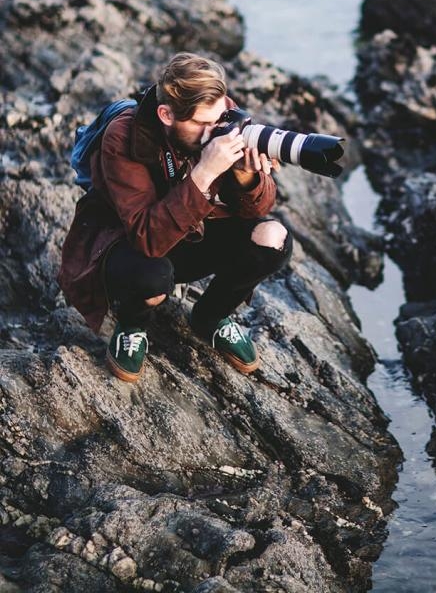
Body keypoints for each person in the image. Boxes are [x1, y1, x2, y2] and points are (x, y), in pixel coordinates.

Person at [58, 52, 292, 382]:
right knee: (151, 280)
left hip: (192, 233)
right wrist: (207, 170)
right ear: (167, 114)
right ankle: (132, 324)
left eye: (220, 117)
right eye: (203, 124)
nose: (216, 131)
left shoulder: (219, 116)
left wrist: (244, 175)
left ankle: (211, 317)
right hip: (133, 247)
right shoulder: (124, 136)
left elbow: (256, 210)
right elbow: (147, 238)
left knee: (273, 238)